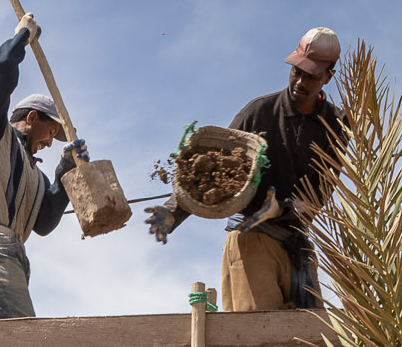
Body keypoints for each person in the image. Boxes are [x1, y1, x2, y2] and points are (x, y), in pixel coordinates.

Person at [148, 27, 346, 311]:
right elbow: (210, 173)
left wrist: (282, 208)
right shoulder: (259, 113)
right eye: (296, 71)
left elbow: (320, 194)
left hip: (295, 246)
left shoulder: (334, 126)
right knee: (257, 337)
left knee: (308, 345)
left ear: (328, 76)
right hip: (252, 239)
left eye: (311, 75)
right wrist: (171, 211)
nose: (300, 81)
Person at [0, 13, 87, 320]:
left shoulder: (35, 175)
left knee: (8, 343)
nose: (52, 142)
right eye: (52, 132)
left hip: (11, 251)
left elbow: (44, 223)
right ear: (31, 118)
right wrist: (21, 38)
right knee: (20, 337)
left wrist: (66, 173)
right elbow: (0, 74)